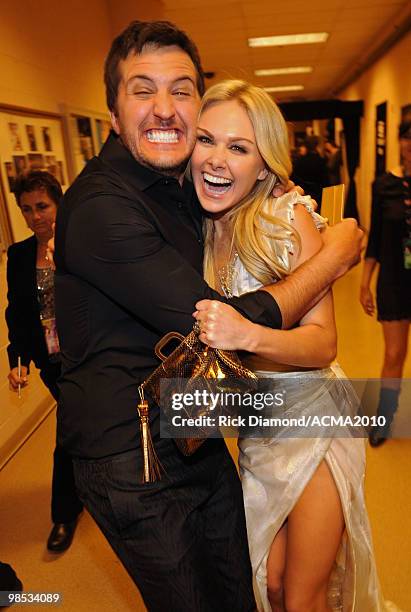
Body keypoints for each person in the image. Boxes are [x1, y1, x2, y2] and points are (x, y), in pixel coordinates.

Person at [53, 20, 363, 611]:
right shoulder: (103, 206)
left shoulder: (194, 197)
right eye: (142, 90)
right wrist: (336, 258)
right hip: (135, 457)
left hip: (230, 428)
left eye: (181, 90)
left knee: (270, 593)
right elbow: (210, 322)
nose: (164, 108)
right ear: (113, 113)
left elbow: (319, 343)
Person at [191, 80, 389, 611]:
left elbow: (323, 343)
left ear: (265, 165)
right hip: (257, 423)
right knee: (272, 586)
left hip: (314, 420)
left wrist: (245, 334)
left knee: (302, 595)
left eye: (239, 147)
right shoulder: (197, 227)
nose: (216, 160)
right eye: (206, 140)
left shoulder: (287, 216)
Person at [5, 171, 83, 552]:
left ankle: (64, 513)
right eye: (26, 209)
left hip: (86, 355)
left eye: (42, 207)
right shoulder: (19, 256)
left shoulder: (78, 245)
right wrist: (16, 359)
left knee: (70, 429)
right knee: (75, 426)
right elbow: (16, 313)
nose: (36, 217)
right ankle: (82, 496)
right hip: (49, 361)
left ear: (58, 203)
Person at [360, 120, 411, 447]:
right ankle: (385, 417)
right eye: (407, 138)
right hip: (394, 280)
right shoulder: (383, 185)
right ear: (400, 143)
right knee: (394, 354)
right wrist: (365, 283)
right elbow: (376, 238)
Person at [291, 135, 329, 212]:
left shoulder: (300, 161)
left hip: (304, 193)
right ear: (316, 145)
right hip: (318, 193)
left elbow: (294, 178)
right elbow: (325, 180)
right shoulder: (321, 161)